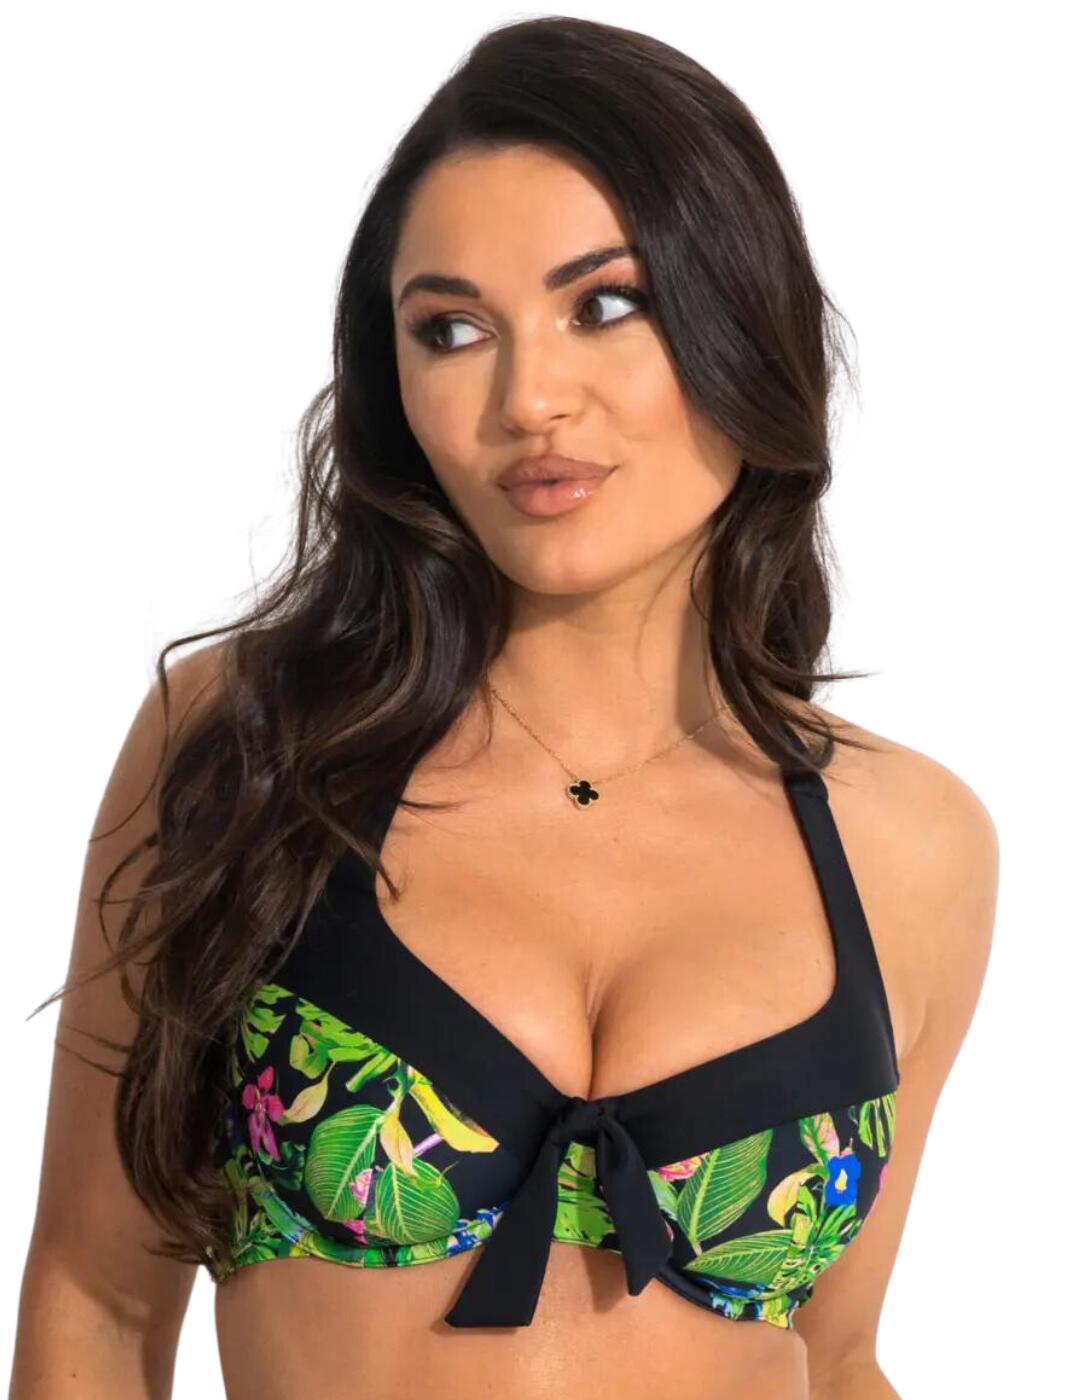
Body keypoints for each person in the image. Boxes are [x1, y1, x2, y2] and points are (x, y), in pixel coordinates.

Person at [10, 15, 997, 1400]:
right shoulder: (249, 741)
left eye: (606, 304)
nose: (529, 398)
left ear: (739, 313)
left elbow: (834, 1356)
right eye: (453, 330)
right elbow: (98, 1301)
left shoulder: (911, 841)